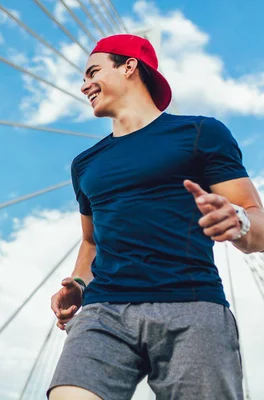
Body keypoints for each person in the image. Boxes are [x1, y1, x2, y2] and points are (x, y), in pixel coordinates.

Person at [48, 34, 264, 400]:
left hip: (191, 306)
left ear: (129, 66)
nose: (84, 85)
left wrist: (238, 222)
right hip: (105, 311)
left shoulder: (200, 133)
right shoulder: (85, 164)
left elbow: (257, 222)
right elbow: (91, 239)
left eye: (92, 71)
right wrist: (80, 285)